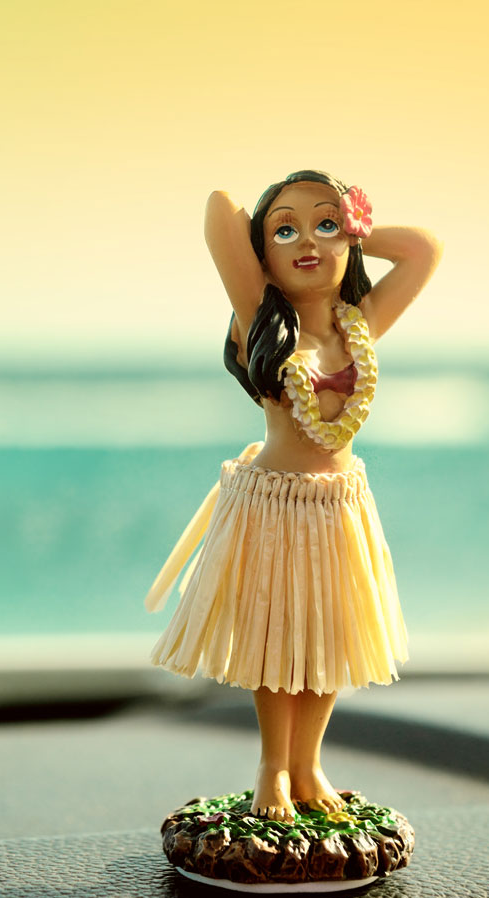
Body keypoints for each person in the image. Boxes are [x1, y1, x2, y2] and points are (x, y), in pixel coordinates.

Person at [146, 170, 442, 822]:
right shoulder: (262, 317)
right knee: (277, 640)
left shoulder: (358, 324)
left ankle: (309, 766)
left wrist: (357, 227)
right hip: (275, 504)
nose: (308, 239)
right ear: (263, 253)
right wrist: (272, 246)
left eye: (326, 224)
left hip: (339, 506)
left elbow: (423, 250)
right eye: (286, 228)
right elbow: (220, 210)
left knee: (330, 642)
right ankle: (272, 769)